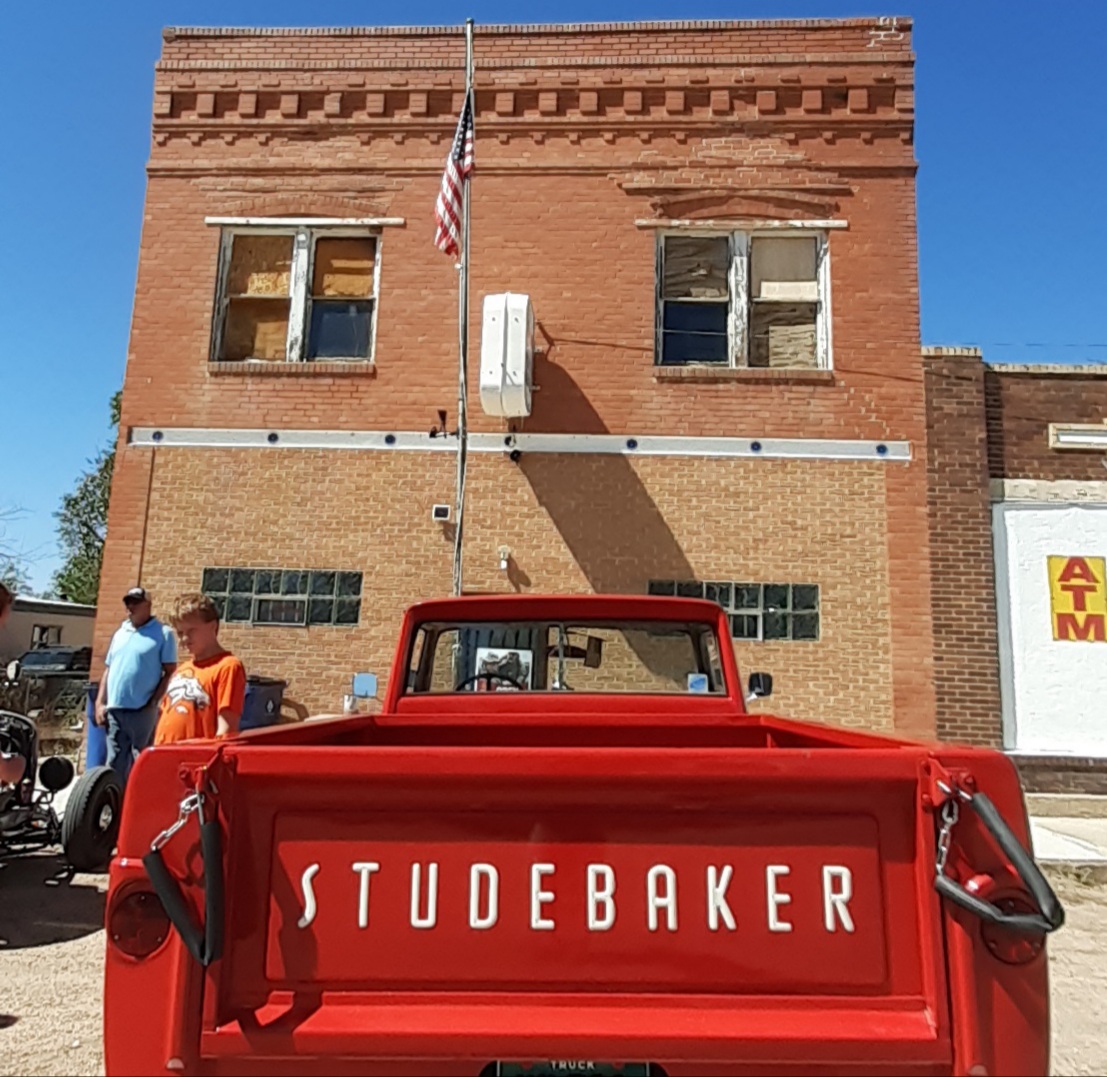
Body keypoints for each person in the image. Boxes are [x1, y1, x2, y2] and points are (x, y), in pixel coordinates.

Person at [96, 587, 177, 785]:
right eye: (128, 603)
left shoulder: (163, 634)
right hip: (114, 709)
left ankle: (141, 803)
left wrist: (154, 701)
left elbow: (170, 671)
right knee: (114, 762)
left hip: (142, 709)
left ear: (147, 605)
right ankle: (114, 805)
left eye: (135, 602)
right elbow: (109, 669)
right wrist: (100, 702)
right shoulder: (120, 633)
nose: (130, 607)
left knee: (141, 759)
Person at [155, 593, 245, 745]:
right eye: (180, 633)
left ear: (212, 626)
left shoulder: (227, 666)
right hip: (163, 756)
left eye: (191, 631)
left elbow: (226, 731)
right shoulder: (182, 670)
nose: (184, 639)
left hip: (194, 761)